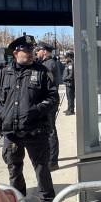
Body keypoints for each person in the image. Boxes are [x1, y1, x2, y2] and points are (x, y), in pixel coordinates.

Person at [0, 35, 58, 202]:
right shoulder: (3, 74)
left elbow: (52, 98)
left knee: (42, 170)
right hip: (11, 133)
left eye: (32, 50)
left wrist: (35, 111)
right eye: (27, 50)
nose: (31, 53)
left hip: (36, 132)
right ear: (16, 52)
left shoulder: (41, 72)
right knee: (14, 170)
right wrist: (2, 113)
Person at [36, 42, 60, 171]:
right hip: (48, 102)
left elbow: (49, 86)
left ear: (44, 51)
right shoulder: (46, 64)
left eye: (38, 50)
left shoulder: (49, 65)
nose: (37, 53)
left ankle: (53, 161)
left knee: (50, 131)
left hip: (49, 102)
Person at [62, 51, 75, 115]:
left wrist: (65, 78)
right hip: (68, 83)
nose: (65, 59)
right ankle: (69, 108)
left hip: (70, 83)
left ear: (69, 57)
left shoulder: (71, 64)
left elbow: (71, 74)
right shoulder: (68, 63)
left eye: (66, 57)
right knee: (68, 97)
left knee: (70, 97)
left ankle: (71, 110)